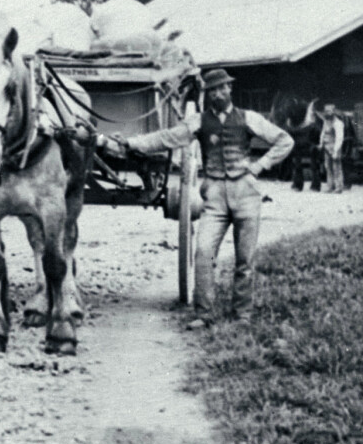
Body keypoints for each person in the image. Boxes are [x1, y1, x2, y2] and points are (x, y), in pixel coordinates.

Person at [100, 68, 292, 325]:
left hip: (246, 194)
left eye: (222, 88)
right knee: (203, 253)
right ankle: (204, 314)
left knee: (245, 260)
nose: (218, 93)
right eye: (213, 90)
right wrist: (131, 144)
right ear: (207, 94)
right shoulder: (199, 122)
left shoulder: (249, 118)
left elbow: (284, 141)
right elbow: (167, 138)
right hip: (214, 197)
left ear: (230, 89)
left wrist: (259, 166)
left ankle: (243, 315)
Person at [321, 103, 346, 194]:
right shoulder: (326, 122)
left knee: (337, 168)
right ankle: (330, 186)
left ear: (333, 111)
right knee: (328, 167)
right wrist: (321, 143)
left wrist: (336, 151)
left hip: (335, 148)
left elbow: (339, 138)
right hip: (327, 148)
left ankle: (339, 187)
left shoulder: (338, 123)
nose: (327, 113)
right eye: (326, 111)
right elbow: (323, 133)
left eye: (329, 111)